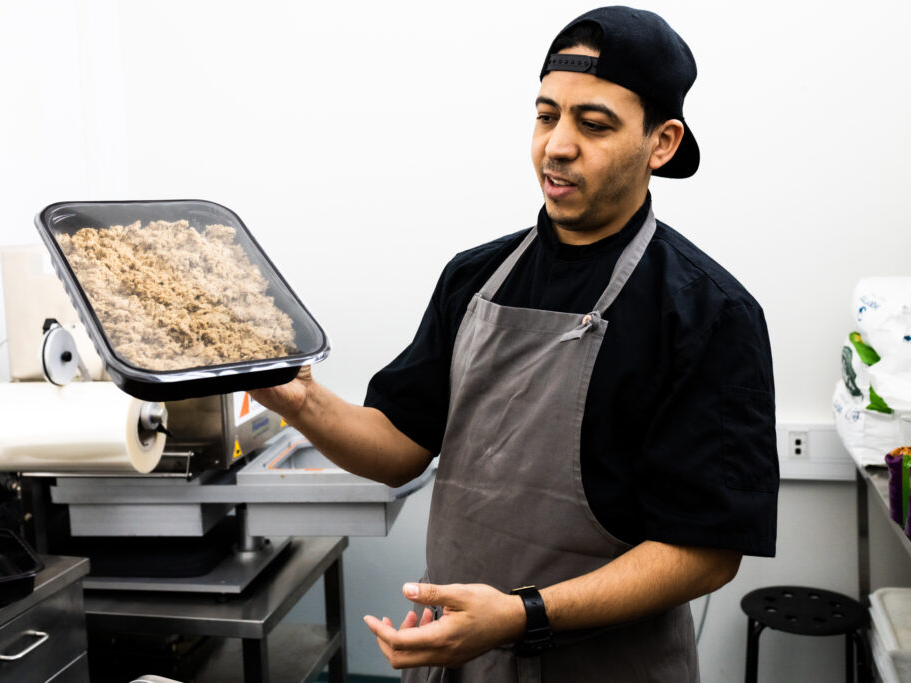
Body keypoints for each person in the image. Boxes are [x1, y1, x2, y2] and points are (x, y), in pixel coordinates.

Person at [252, 6, 778, 681]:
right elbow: (399, 445)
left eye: (593, 124)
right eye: (545, 115)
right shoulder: (474, 279)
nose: (557, 145)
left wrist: (522, 614)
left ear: (662, 142)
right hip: (459, 661)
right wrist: (301, 402)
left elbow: (707, 551)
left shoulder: (708, 314)